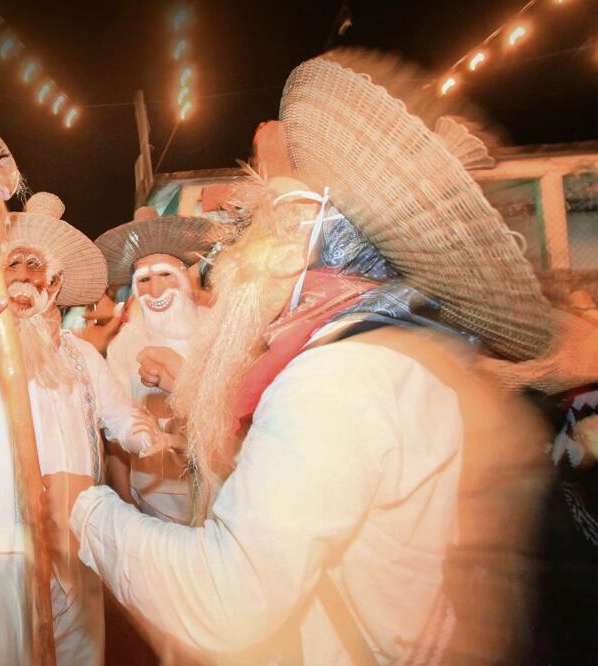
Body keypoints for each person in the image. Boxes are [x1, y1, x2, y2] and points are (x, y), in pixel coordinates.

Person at [68, 51, 554, 663]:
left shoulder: (337, 380)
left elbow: (230, 601)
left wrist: (83, 513)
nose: (242, 246)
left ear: (307, 236)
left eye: (268, 219)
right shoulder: (396, 350)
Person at [0, 180, 167, 664]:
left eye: (36, 267)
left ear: (53, 286)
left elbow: (120, 418)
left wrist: (149, 437)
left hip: (73, 547)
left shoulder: (80, 355)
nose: (24, 277)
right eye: (13, 264)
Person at [95, 208, 222, 525]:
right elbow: (116, 434)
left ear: (184, 275)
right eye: (145, 280)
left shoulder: (219, 331)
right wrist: (127, 505)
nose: (156, 291)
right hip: (154, 504)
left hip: (221, 497)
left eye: (166, 275)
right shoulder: (125, 344)